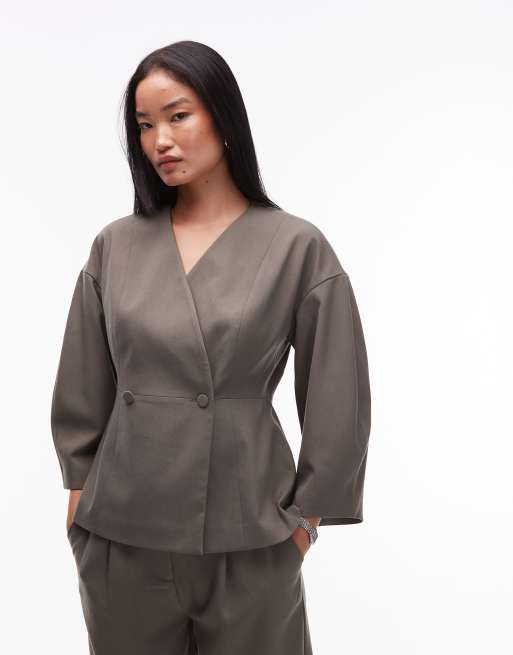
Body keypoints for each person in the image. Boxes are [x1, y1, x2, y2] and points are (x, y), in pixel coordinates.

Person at [51, 39, 372, 655]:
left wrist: (305, 524)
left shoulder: (296, 246)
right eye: (145, 125)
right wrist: (79, 502)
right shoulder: (115, 246)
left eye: (178, 116)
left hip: (250, 538)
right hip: (122, 538)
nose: (160, 141)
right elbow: (82, 386)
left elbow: (339, 398)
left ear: (224, 119)